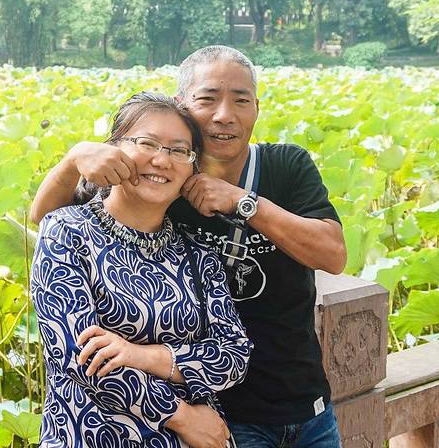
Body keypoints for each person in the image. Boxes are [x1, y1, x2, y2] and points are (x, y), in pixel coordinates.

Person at [31, 46, 347, 448]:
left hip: (300, 404)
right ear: (182, 103)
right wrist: (73, 158)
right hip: (204, 421)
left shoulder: (275, 175)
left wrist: (242, 202)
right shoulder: (137, 195)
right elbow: (48, 222)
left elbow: (331, 258)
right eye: (208, 98)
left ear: (256, 108)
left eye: (241, 100)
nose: (224, 115)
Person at [31, 91, 251, 448]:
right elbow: (79, 357)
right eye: (147, 143)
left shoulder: (197, 253)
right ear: (112, 150)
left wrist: (141, 355)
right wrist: (181, 416)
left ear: (192, 169)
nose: (162, 160)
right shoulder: (67, 231)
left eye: (179, 151)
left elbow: (234, 355)